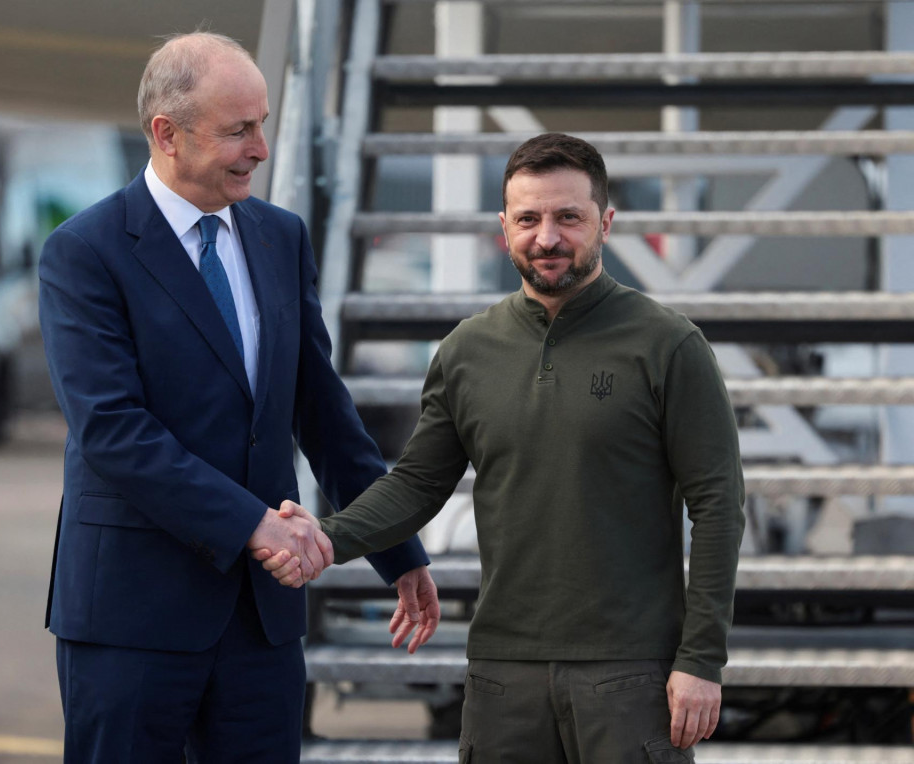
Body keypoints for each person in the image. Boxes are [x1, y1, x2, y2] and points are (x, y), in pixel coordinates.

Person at [258, 133, 746, 762]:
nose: (547, 237)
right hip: (501, 672)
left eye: (569, 217)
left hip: (630, 671)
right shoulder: (466, 350)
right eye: (529, 219)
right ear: (503, 226)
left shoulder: (669, 347)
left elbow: (718, 506)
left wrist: (701, 658)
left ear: (606, 221)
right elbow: (417, 483)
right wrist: (327, 538)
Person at [38, 31, 438, 764]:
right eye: (238, 131)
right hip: (133, 617)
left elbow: (322, 411)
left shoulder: (279, 237)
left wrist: (399, 553)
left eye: (262, 125)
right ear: (166, 134)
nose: (260, 148)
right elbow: (113, 430)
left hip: (260, 623)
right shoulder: (83, 252)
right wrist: (255, 523)